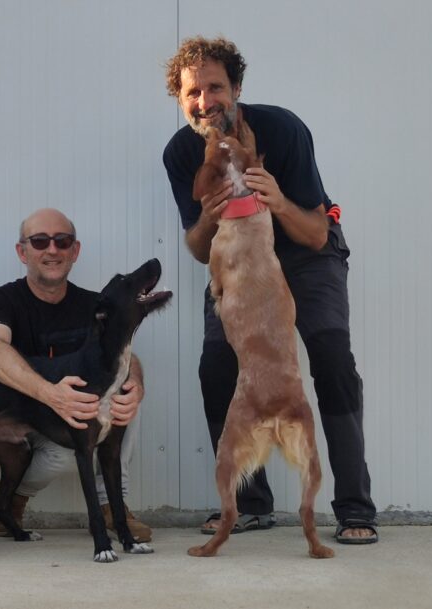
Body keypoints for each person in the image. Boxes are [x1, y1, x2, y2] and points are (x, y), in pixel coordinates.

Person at [162, 35, 378, 544]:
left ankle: (354, 508)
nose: (204, 101)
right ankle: (251, 504)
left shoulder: (282, 129)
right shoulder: (180, 153)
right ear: (180, 99)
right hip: (239, 258)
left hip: (305, 254)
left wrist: (278, 201)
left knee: (331, 355)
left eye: (215, 87)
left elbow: (317, 232)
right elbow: (198, 248)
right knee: (217, 365)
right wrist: (207, 219)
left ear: (237, 88)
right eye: (192, 92)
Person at [0, 208, 152, 542]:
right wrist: (51, 394)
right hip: (28, 411)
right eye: (40, 241)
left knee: (125, 397)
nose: (52, 249)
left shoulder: (94, 304)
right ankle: (12, 501)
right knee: (67, 454)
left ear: (75, 251)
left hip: (74, 414)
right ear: (22, 252)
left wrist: (136, 384)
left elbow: (124, 358)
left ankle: (112, 506)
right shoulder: (2, 299)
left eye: (63, 241)